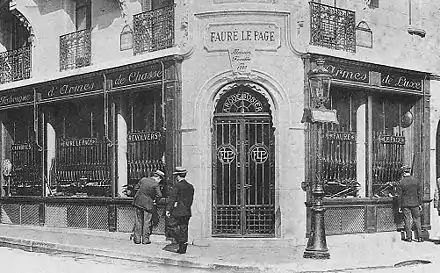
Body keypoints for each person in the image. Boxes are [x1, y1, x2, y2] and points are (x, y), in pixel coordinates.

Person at [163, 167, 194, 254]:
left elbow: (172, 199)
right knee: (184, 228)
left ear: (177, 176)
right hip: (187, 211)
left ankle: (180, 241)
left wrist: (168, 210)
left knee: (172, 226)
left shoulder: (177, 186)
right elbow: (190, 200)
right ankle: (183, 247)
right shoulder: (190, 186)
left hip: (178, 211)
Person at [132, 170, 164, 244]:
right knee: (147, 222)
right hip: (148, 205)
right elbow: (159, 195)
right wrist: (154, 199)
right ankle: (145, 240)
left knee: (138, 221)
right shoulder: (155, 184)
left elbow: (135, 188)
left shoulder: (143, 179)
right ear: (159, 178)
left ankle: (137, 239)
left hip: (138, 203)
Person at [397, 165, 423, 242]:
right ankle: (420, 237)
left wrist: (399, 206)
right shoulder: (416, 181)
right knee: (417, 220)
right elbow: (419, 194)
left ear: (404, 172)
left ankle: (409, 238)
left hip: (405, 204)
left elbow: (400, 196)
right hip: (415, 203)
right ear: (409, 172)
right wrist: (420, 204)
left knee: (407, 220)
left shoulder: (401, 182)